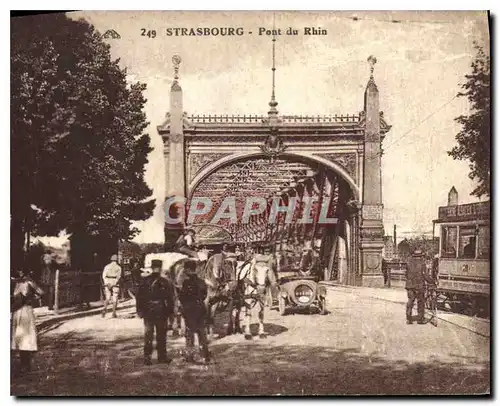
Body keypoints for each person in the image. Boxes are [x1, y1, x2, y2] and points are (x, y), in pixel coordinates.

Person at [136, 259, 175, 365]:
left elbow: (139, 297)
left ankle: (147, 358)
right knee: (161, 335)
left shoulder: (144, 281)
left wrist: (139, 310)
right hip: (161, 310)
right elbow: (170, 298)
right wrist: (170, 312)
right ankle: (162, 357)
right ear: (161, 268)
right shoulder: (165, 281)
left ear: (151, 268)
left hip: (148, 310)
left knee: (148, 334)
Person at [11, 268, 45, 374]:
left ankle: (26, 365)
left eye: (22, 271)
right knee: (19, 337)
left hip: (26, 311)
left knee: (26, 337)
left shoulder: (29, 282)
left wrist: (32, 298)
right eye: (18, 271)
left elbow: (41, 292)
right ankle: (23, 364)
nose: (20, 273)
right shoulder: (15, 283)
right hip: (17, 312)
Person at [178, 260, 211, 364]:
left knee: (190, 334)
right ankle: (205, 355)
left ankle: (190, 356)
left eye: (185, 269)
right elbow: (204, 295)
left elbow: (182, 297)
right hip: (201, 309)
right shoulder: (202, 281)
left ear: (188, 269)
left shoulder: (186, 282)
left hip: (190, 310)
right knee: (202, 333)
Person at [405, 250, 434, 324]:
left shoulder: (408, 263)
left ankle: (408, 318)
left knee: (410, 301)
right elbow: (425, 275)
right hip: (419, 286)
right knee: (420, 302)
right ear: (421, 256)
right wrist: (432, 282)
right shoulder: (422, 263)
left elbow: (406, 275)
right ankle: (420, 319)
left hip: (410, 285)